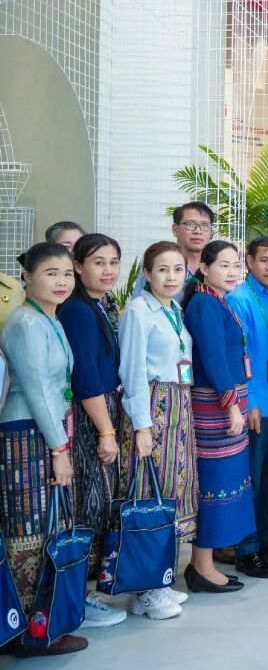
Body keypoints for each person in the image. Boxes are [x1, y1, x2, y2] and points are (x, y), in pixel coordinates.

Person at [0, 243, 87, 656]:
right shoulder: (25, 323)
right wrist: (59, 448)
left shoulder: (48, 318)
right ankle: (25, 632)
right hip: (26, 433)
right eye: (51, 273)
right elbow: (36, 388)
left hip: (45, 431)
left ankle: (45, 621)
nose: (62, 281)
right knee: (28, 531)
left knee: (47, 526)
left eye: (67, 273)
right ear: (27, 278)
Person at [119, 241, 197, 619]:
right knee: (150, 493)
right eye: (162, 269)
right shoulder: (138, 311)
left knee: (171, 493)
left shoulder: (174, 309)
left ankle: (159, 581)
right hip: (154, 407)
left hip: (179, 405)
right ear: (147, 274)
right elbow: (132, 371)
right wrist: (142, 426)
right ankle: (147, 589)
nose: (171, 277)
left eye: (178, 269)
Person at [58, 234, 129, 628]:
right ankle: (77, 602)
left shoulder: (102, 303)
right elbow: (86, 377)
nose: (108, 270)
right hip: (91, 416)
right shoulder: (78, 311)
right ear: (78, 266)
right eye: (98, 262)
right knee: (88, 504)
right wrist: (105, 431)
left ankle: (84, 597)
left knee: (100, 502)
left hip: (105, 408)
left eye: (113, 262)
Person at [182, 241, 256, 593]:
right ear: (204, 268)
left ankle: (205, 563)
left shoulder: (217, 300)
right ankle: (201, 566)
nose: (231, 271)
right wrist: (230, 405)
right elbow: (213, 359)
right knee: (215, 483)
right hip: (216, 405)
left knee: (229, 480)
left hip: (229, 401)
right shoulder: (204, 304)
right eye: (223, 265)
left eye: (235, 265)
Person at [224, 236, 268, 573]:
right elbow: (236, 354)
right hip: (255, 404)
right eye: (264, 260)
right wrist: (248, 400)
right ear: (250, 262)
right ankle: (246, 549)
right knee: (250, 480)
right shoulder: (238, 299)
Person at [130, 202, 214, 301]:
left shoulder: (217, 268)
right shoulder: (157, 266)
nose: (198, 231)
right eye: (190, 224)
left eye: (205, 225)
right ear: (175, 229)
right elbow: (139, 305)